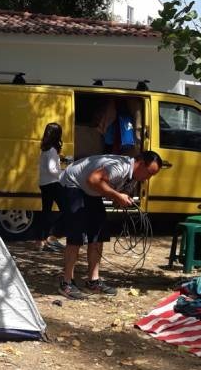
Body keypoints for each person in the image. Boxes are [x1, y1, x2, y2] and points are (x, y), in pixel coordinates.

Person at [58, 150, 164, 299]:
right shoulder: (119, 167)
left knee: (98, 233)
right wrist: (117, 196)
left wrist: (120, 197)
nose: (148, 178)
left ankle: (93, 281)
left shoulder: (132, 176)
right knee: (76, 235)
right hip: (72, 184)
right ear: (140, 163)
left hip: (89, 190)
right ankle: (67, 282)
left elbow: (109, 189)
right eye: (149, 173)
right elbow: (93, 179)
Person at [35, 122, 66, 252]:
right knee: (67, 209)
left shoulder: (45, 148)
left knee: (46, 212)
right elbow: (52, 169)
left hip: (44, 183)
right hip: (53, 183)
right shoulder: (52, 150)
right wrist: (63, 172)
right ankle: (52, 236)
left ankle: (40, 242)